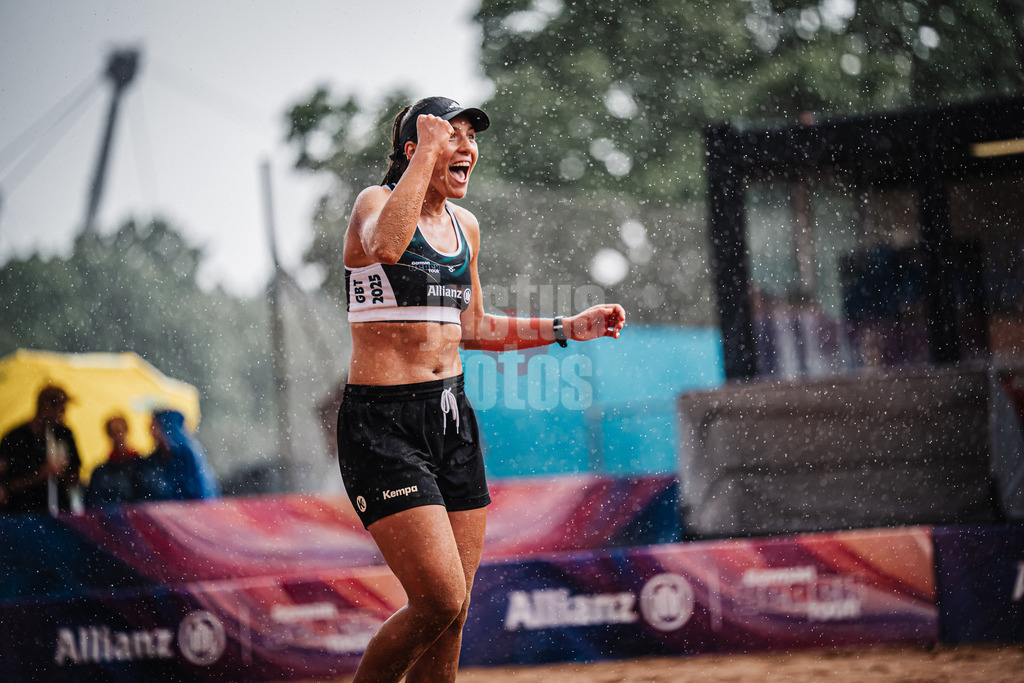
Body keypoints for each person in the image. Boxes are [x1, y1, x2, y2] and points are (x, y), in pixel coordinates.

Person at [337, 96, 626, 682]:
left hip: (450, 417)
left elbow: (473, 326)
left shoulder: (465, 226)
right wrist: (420, 155)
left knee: (455, 614)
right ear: (414, 150)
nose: (466, 147)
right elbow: (388, 249)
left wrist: (566, 327)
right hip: (382, 426)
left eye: (471, 138)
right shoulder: (375, 204)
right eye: (452, 136)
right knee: (438, 600)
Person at [0, 385, 82, 515]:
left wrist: (64, 474)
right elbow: (8, 485)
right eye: (60, 409)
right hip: (23, 513)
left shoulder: (64, 434)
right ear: (45, 407)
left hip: (59, 512)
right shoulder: (15, 438)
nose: (63, 414)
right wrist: (42, 474)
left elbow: (75, 475)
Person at [133, 409, 220, 502]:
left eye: (154, 425)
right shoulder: (155, 458)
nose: (151, 430)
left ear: (166, 427)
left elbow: (198, 490)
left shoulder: (187, 454)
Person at [84, 415, 143, 508]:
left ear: (127, 431)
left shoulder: (141, 466)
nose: (116, 436)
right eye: (112, 433)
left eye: (119, 431)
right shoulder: (100, 472)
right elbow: (92, 503)